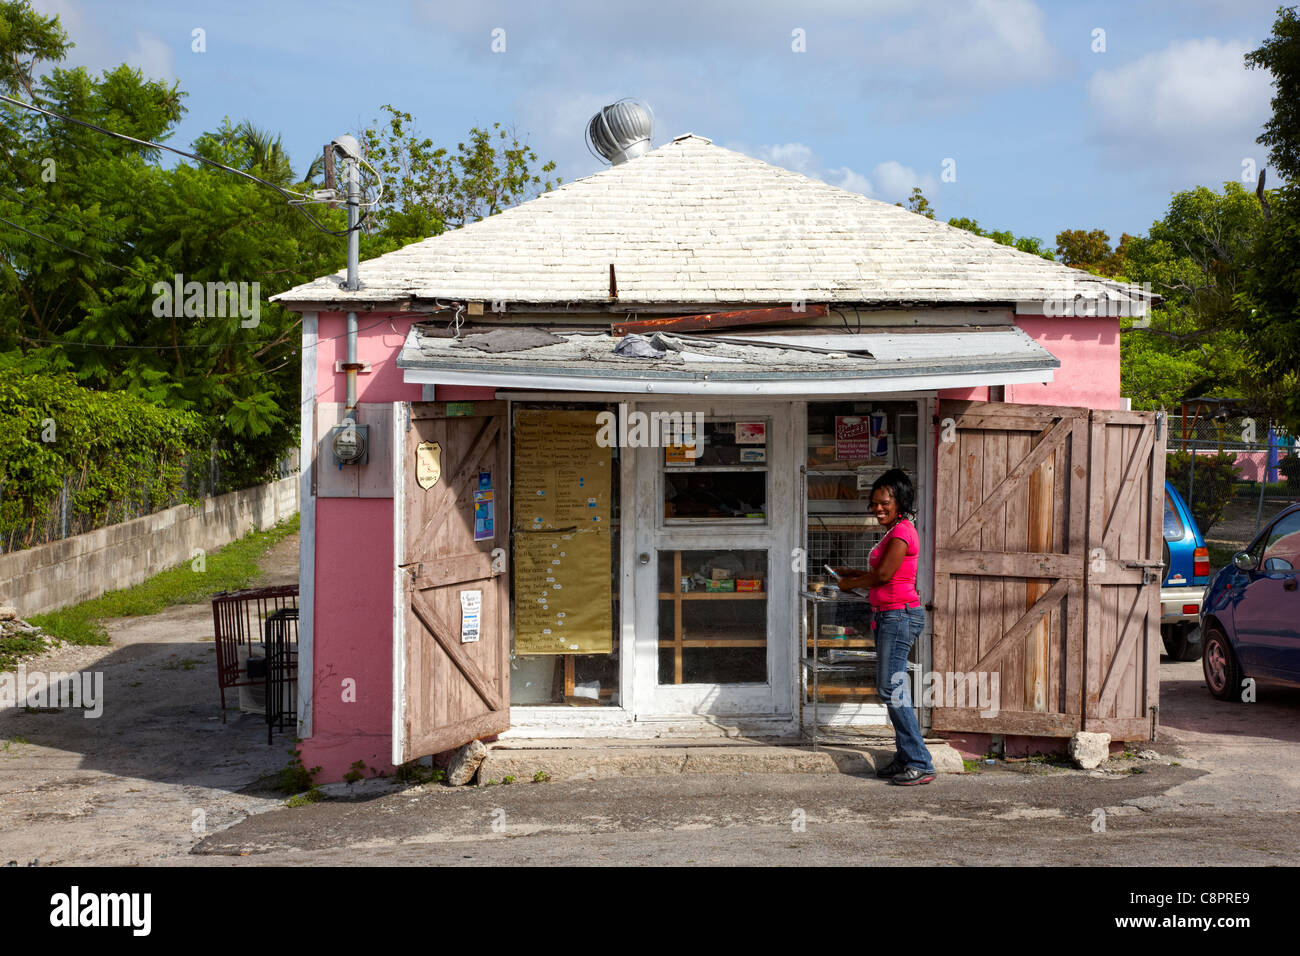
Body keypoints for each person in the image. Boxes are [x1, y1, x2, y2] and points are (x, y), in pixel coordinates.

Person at [834, 468, 935, 786]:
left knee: (891, 689)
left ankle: (920, 761)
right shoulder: (896, 531)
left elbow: (883, 577)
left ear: (899, 502)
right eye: (874, 503)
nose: (877, 508)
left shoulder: (903, 531)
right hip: (889, 615)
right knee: (895, 688)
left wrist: (851, 583)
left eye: (884, 503)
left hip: (898, 616)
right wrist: (851, 573)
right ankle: (906, 757)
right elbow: (881, 572)